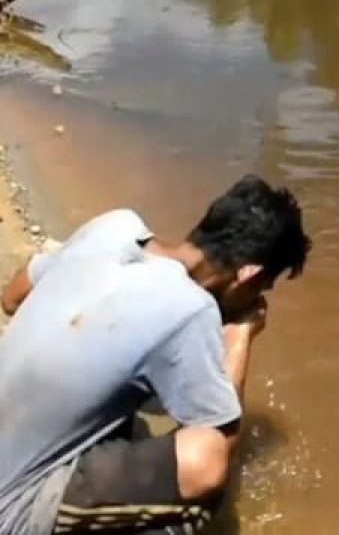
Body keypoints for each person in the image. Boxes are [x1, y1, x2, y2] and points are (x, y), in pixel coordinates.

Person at [0, 175, 311, 535]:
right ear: (248, 276)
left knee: (125, 410)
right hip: (11, 509)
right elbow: (208, 466)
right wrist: (241, 335)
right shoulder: (192, 311)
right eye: (263, 288)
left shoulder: (114, 227)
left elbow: (12, 295)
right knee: (199, 504)